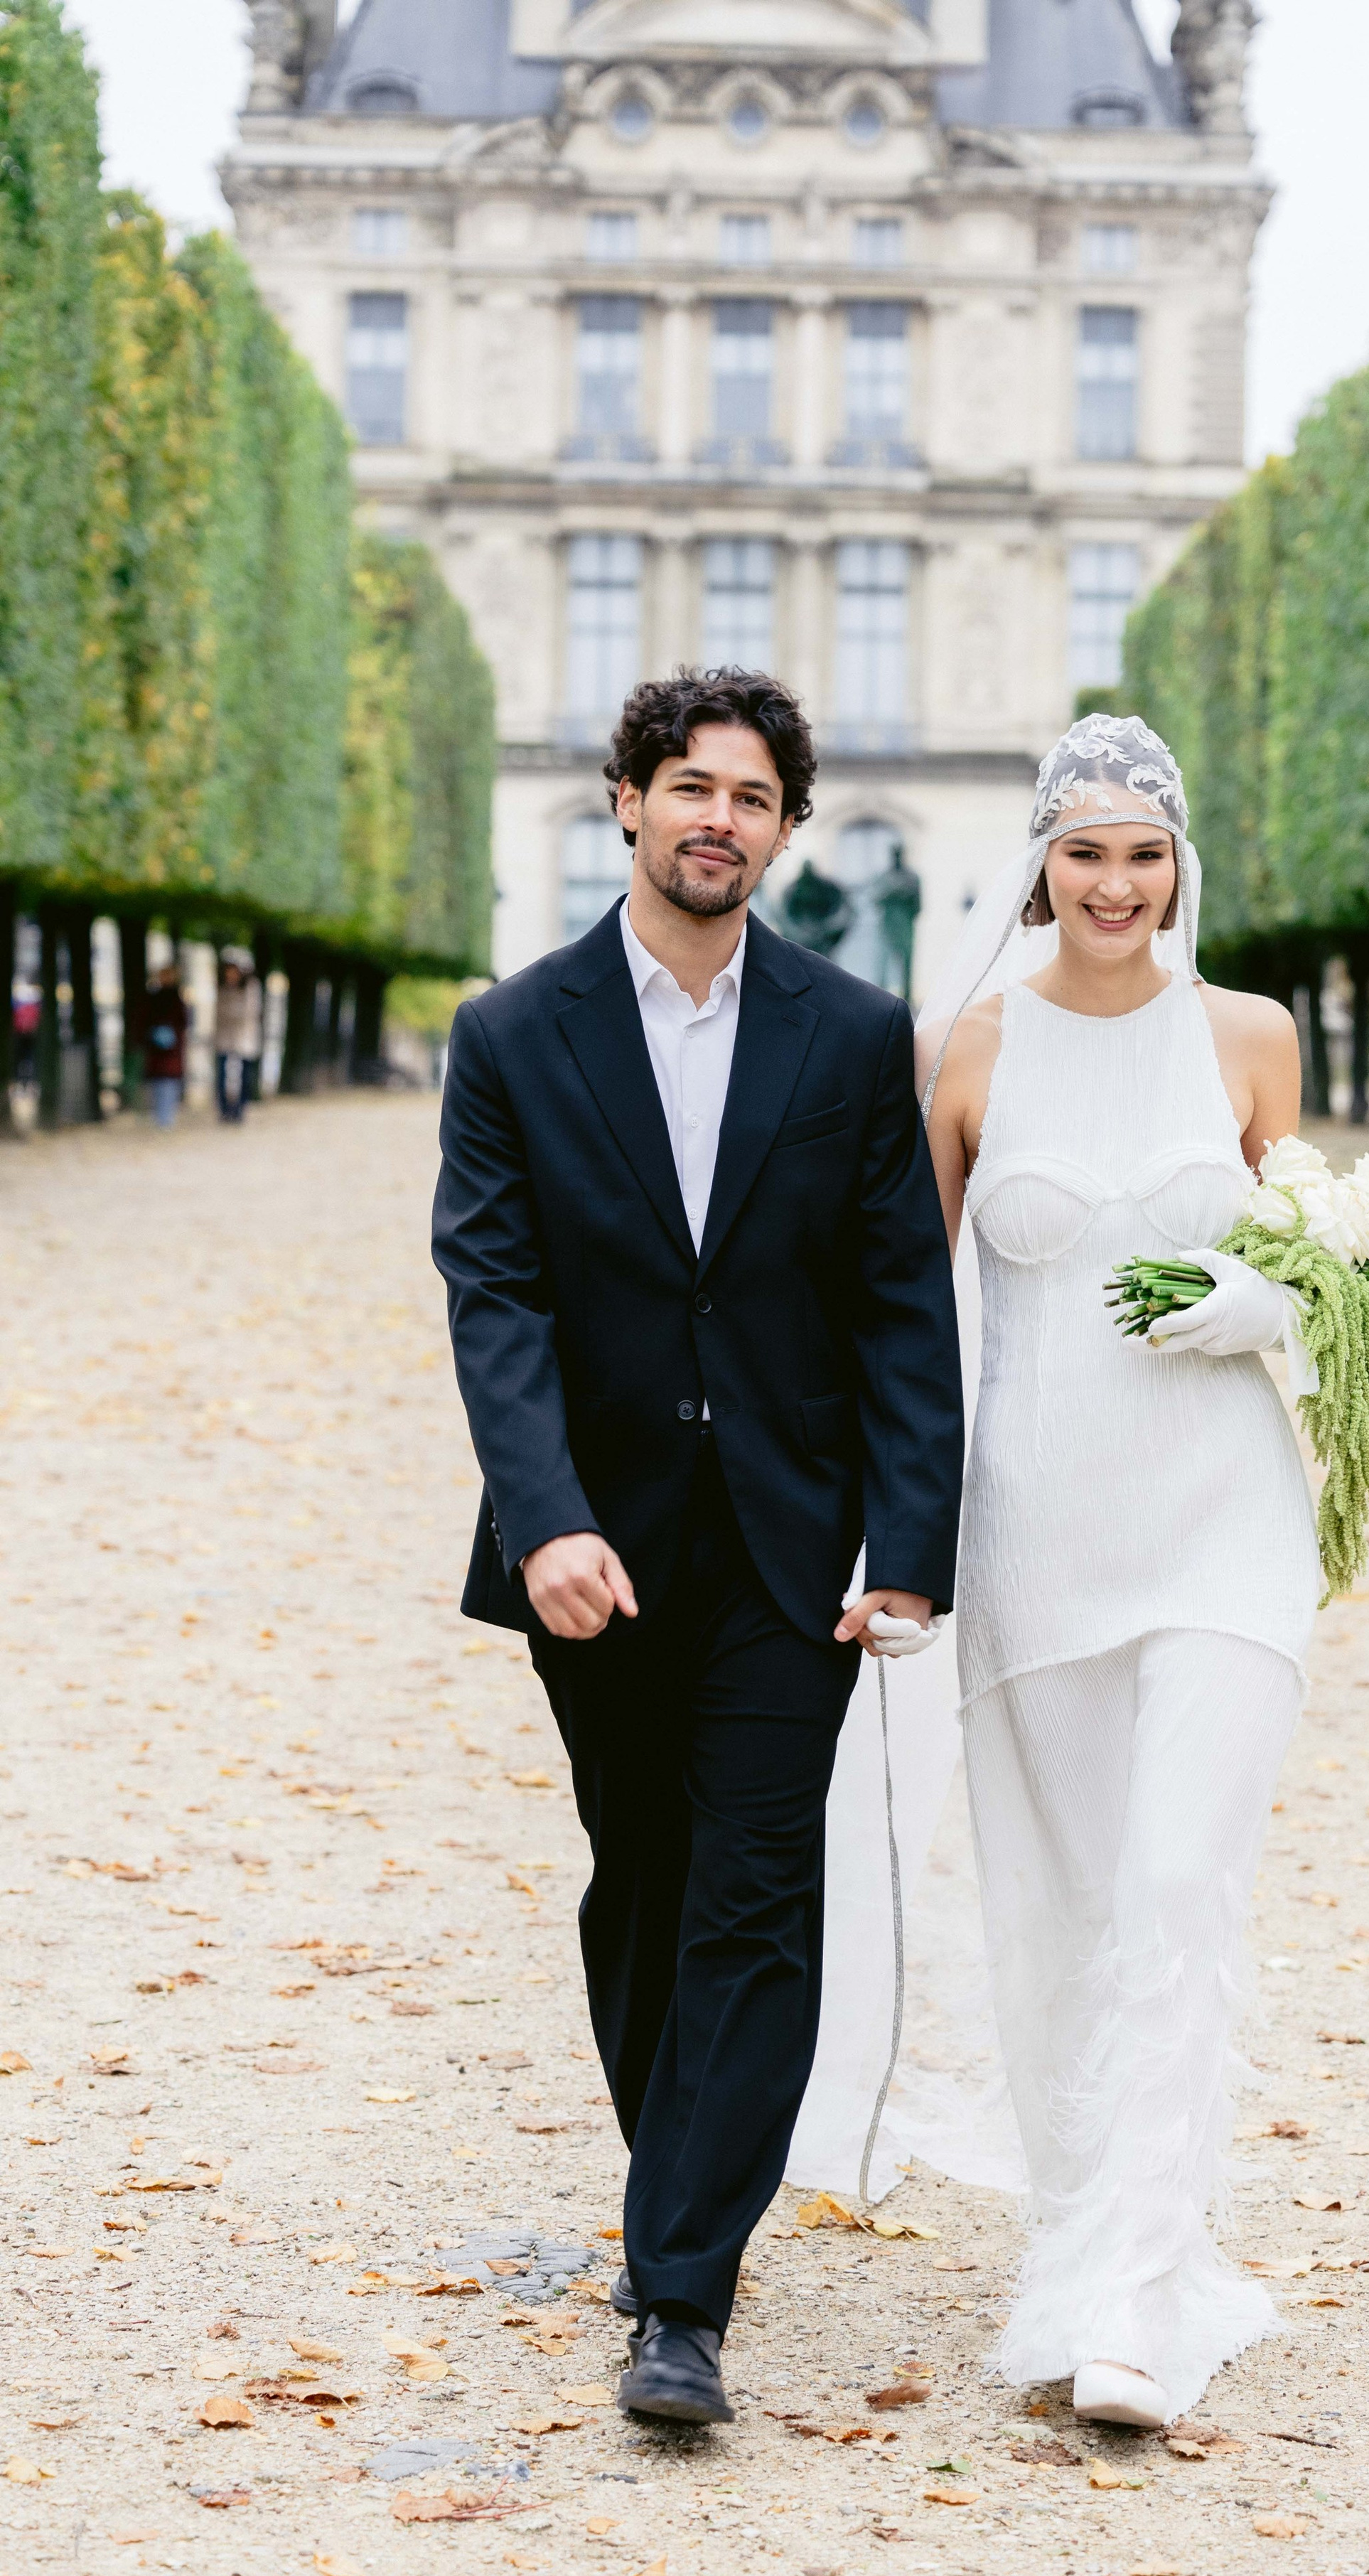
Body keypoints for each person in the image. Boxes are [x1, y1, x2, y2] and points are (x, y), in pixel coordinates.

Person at [431, 667, 965, 2429]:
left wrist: (911, 1536)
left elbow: (898, 1300)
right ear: (629, 802)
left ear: (784, 828)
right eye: (690, 788)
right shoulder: (512, 1034)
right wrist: (543, 1518)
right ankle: (680, 2178)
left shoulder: (852, 1031)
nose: (717, 819)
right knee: (639, 1879)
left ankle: (680, 2294)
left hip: (787, 1547)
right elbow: (493, 1294)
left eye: (750, 796)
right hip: (595, 1547)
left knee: (754, 1893)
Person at [916, 714, 1319, 2430]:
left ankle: (1137, 2305)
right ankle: (1081, 2240)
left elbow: (1328, 1261)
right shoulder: (967, 1052)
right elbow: (900, 1318)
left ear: (1176, 866)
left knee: (1172, 1885)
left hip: (1224, 1516)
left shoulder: (1248, 1037)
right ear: (1038, 865)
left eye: (1142, 852)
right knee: (1062, 1909)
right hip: (1037, 1527)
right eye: (1083, 850)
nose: (1113, 882)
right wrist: (887, 1542)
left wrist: (1265, 1297)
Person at [136, 959, 187, 1129]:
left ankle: (166, 1117)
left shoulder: (176, 998)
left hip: (170, 1049)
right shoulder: (154, 997)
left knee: (169, 1082)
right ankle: (161, 1117)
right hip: (157, 1048)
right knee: (159, 1082)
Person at [213, 951, 263, 1122]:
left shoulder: (251, 987)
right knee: (222, 1075)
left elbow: (250, 1012)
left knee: (245, 1076)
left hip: (244, 1037)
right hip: (224, 1037)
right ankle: (225, 1109)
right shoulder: (222, 987)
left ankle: (240, 1109)